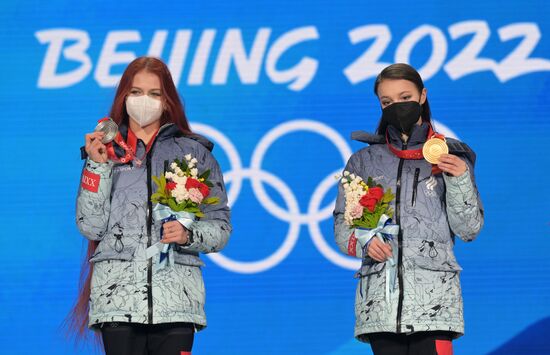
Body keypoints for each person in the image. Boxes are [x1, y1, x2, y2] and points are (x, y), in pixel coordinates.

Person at [70, 56, 231, 355]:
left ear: (167, 100)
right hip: (117, 303)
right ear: (124, 97)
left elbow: (221, 228)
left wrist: (188, 234)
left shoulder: (193, 152)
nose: (145, 101)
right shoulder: (105, 152)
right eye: (136, 92)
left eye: (154, 94)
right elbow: (89, 226)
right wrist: (96, 165)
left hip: (177, 304)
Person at [333, 63, 483, 355]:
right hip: (380, 303)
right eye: (387, 102)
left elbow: (469, 230)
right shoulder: (363, 161)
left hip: (434, 303)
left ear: (422, 96)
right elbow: (343, 226)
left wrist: (459, 180)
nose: (396, 107)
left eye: (405, 98)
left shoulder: (453, 155)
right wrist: (365, 242)